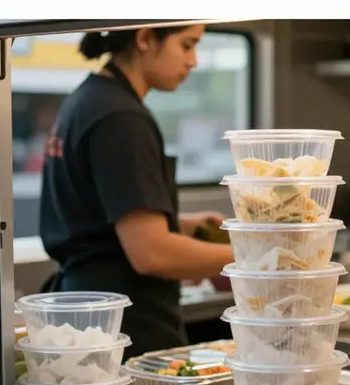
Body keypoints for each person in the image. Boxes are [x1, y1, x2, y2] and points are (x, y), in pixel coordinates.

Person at [39, 24, 234, 357]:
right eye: (187, 45)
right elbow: (152, 253)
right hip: (126, 327)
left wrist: (180, 223)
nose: (193, 61)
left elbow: (99, 214)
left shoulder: (89, 100)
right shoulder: (121, 117)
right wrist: (257, 257)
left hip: (90, 316)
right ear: (144, 38)